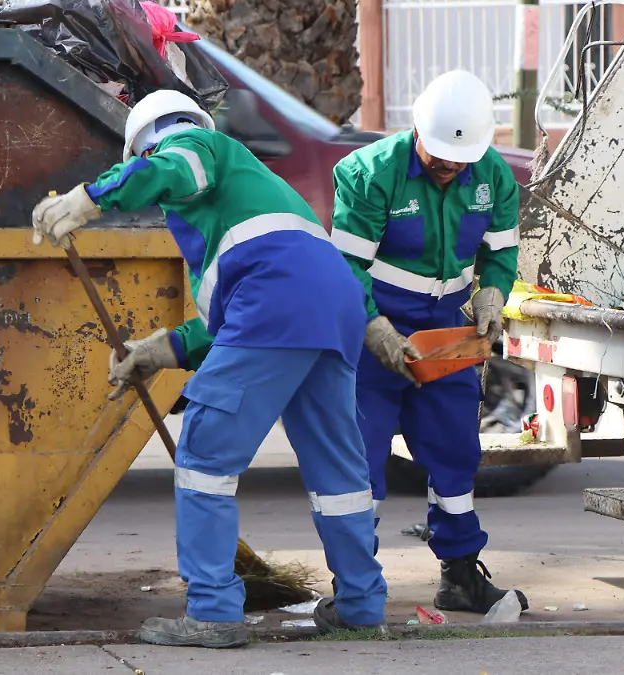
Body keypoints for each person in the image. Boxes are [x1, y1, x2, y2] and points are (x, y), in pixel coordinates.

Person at [31, 89, 388, 647]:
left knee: (204, 454)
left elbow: (176, 167)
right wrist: (158, 351)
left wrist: (88, 198)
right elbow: (234, 324)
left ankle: (214, 612)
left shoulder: (195, 144)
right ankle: (363, 606)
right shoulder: (244, 202)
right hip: (331, 306)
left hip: (279, 301)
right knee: (338, 470)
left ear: (141, 146)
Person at [329, 70, 528, 614]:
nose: (449, 170)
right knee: (359, 463)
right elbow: (347, 266)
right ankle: (354, 585)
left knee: (456, 454)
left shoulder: (493, 176)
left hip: (446, 334)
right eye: (440, 159)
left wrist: (492, 295)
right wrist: (373, 328)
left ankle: (461, 574)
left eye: (459, 162)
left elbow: (499, 252)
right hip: (375, 333)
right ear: (416, 132)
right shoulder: (369, 174)